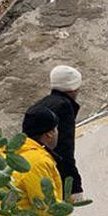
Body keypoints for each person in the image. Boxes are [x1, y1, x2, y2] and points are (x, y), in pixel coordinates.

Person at [32, 65, 83, 199]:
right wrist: (74, 187)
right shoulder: (65, 107)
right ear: (73, 88)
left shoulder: (40, 105)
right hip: (54, 172)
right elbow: (65, 148)